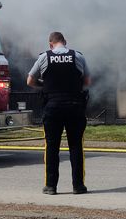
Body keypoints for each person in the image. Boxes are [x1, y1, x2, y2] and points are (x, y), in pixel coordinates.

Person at [27, 32, 91, 195]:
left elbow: (30, 81)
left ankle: (51, 186)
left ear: (50, 44)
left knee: (52, 147)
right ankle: (78, 186)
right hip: (75, 107)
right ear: (65, 42)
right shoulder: (78, 56)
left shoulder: (44, 57)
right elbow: (87, 82)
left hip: (53, 107)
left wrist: (45, 86)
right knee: (76, 146)